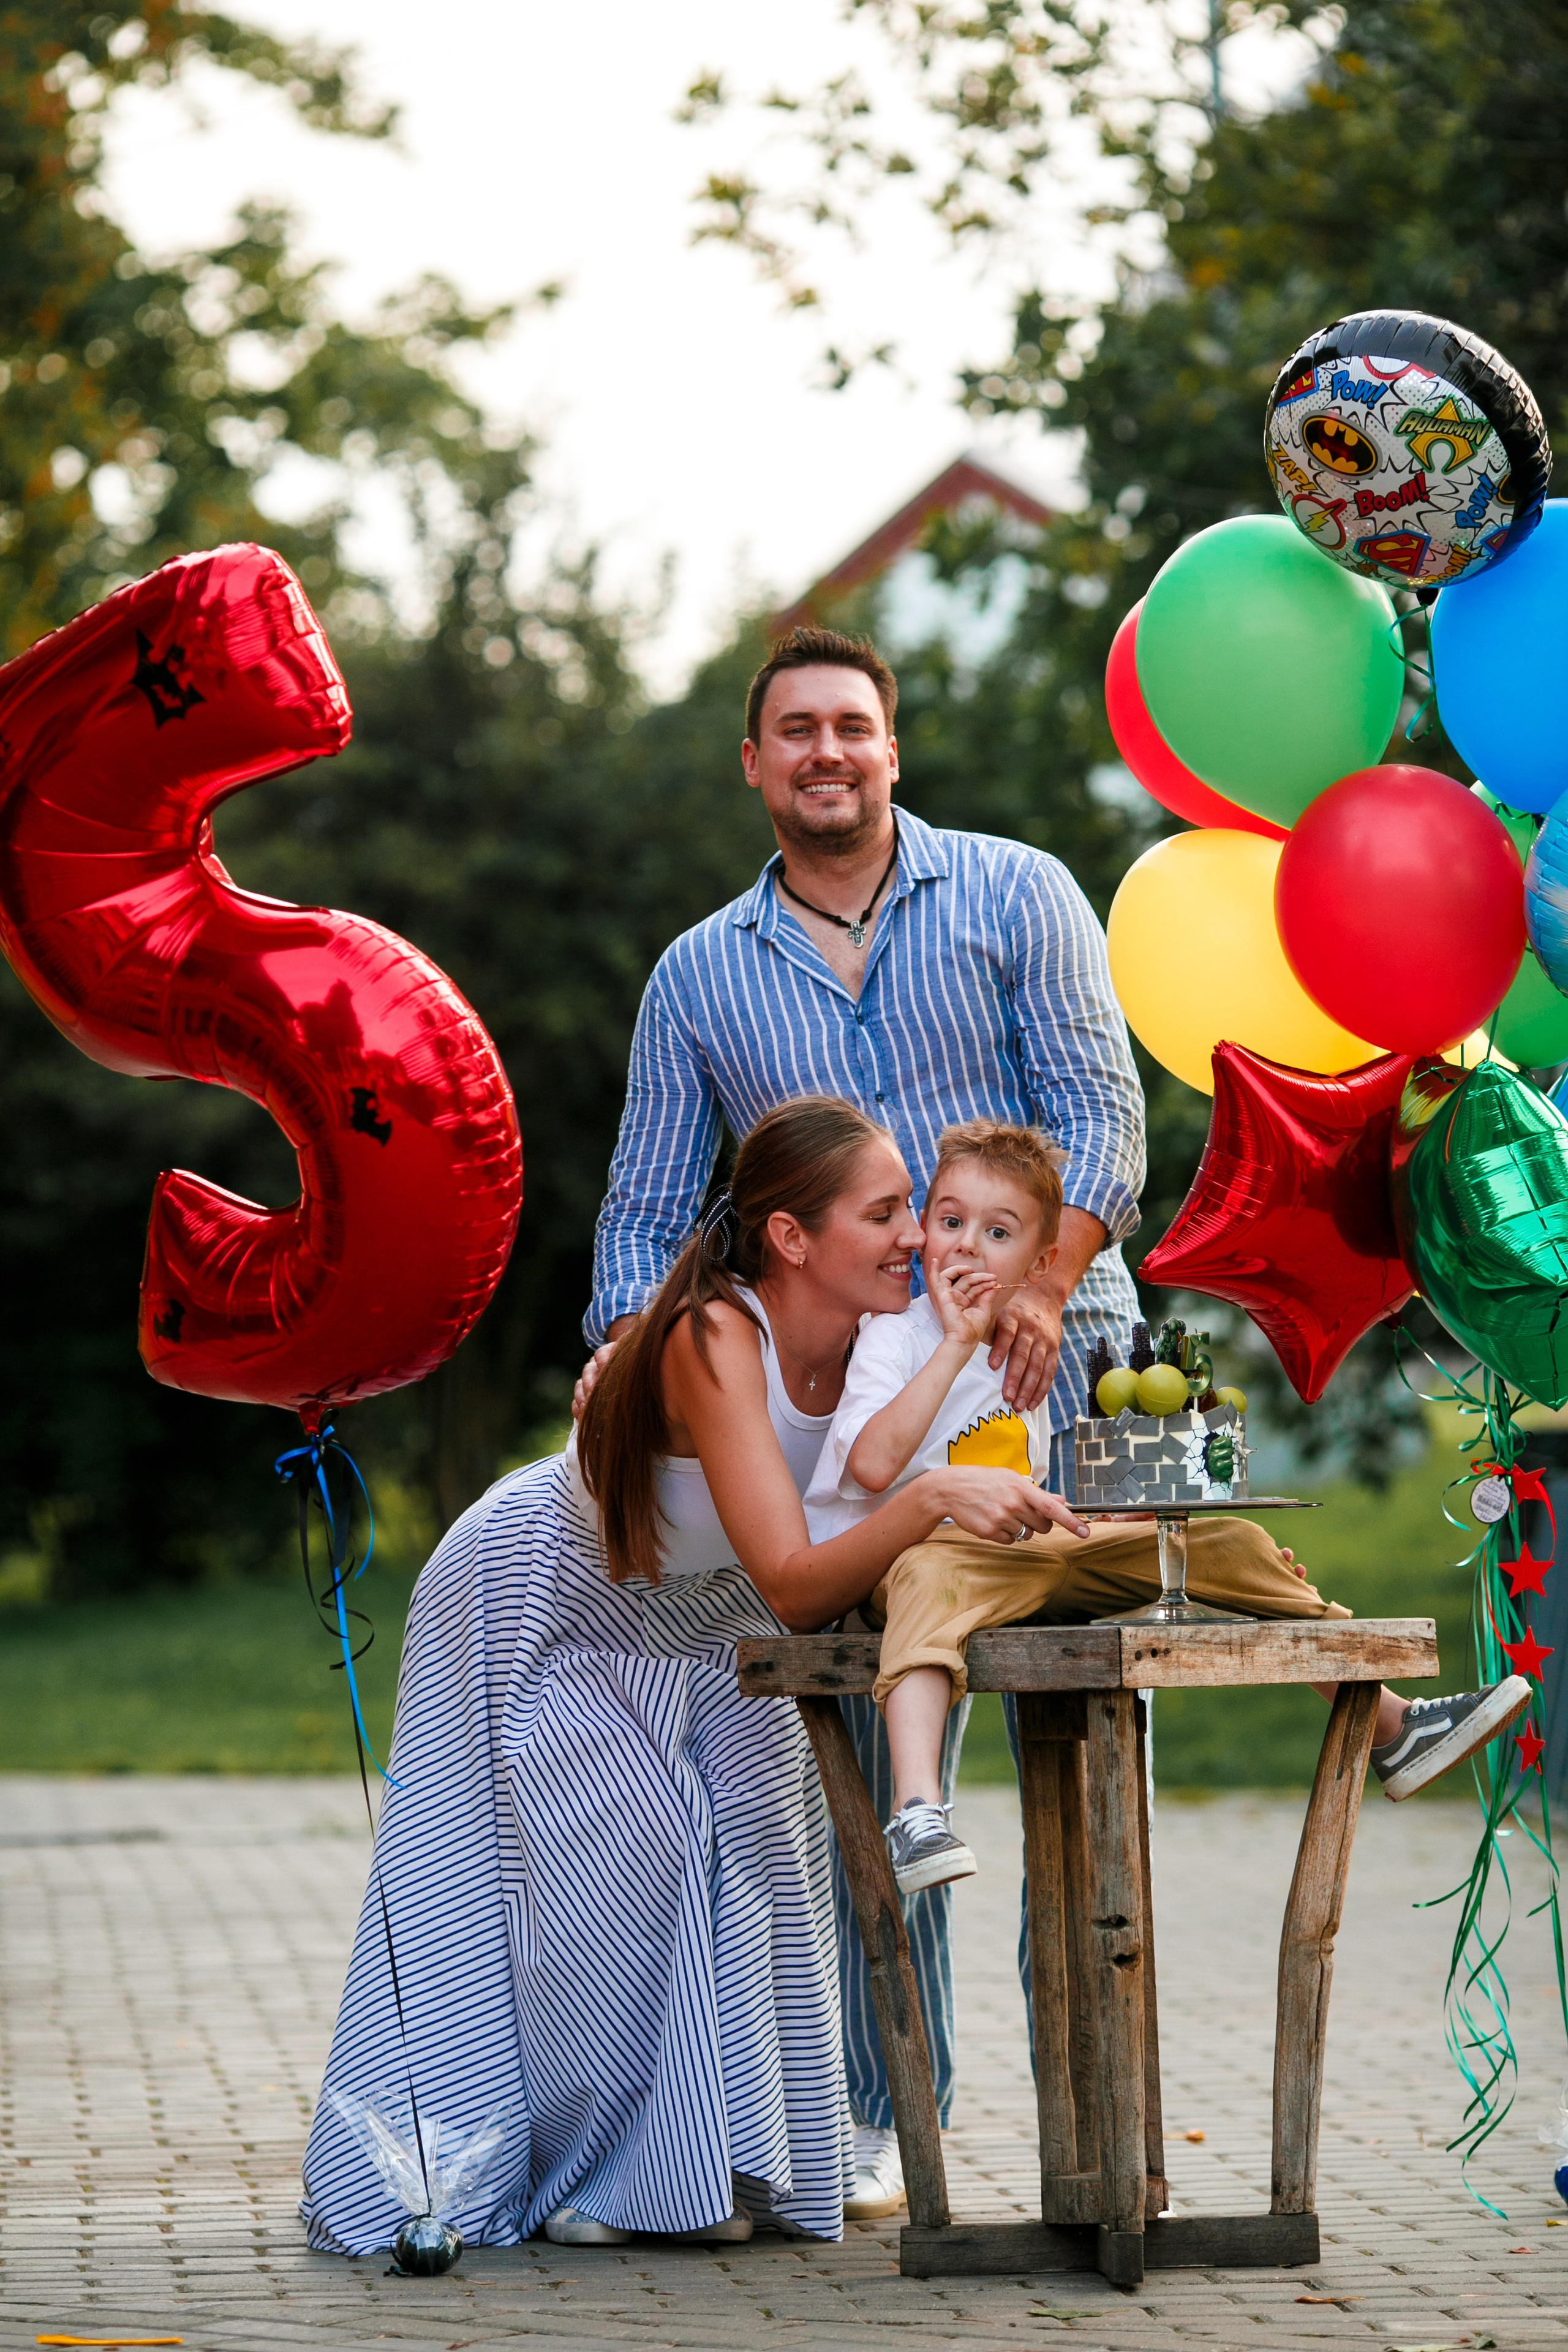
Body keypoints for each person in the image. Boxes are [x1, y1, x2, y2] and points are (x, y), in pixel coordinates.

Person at [301, 1098, 1089, 2256]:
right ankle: (579, 2176)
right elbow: (797, 1583)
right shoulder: (717, 1336)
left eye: (912, 1211)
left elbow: (876, 1480)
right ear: (791, 1240)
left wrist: (1012, 1320)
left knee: (767, 1850)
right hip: (550, 1597)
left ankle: (701, 2167)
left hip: (708, 1619)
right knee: (623, 1857)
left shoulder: (886, 1336)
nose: (919, 1238)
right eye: (886, 1214)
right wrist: (931, 1499)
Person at [581, 622, 1145, 2217]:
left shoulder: (1019, 894)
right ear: (753, 764)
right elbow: (647, 1210)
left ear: (893, 747)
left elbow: (1103, 1116)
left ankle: (1100, 2126)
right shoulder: (699, 974)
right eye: (796, 731)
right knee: (893, 1780)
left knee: (1090, 1750)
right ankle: (897, 2125)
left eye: (851, 725)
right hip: (865, 1417)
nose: (826, 752)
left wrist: (1039, 1283)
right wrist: (625, 1358)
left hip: (1058, 1373)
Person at [806, 1116, 1533, 1897]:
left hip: (1027, 1560)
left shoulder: (1021, 1354)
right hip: (919, 1563)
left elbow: (1021, 1482)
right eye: (950, 1222)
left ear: (1041, 1262)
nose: (967, 1248)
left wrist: (1104, 1525)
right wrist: (954, 1342)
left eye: (998, 1232)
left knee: (1231, 1541)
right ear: (924, 1229)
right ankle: (917, 1811)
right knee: (931, 1578)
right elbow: (873, 1467)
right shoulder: (896, 1337)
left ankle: (1392, 1727)